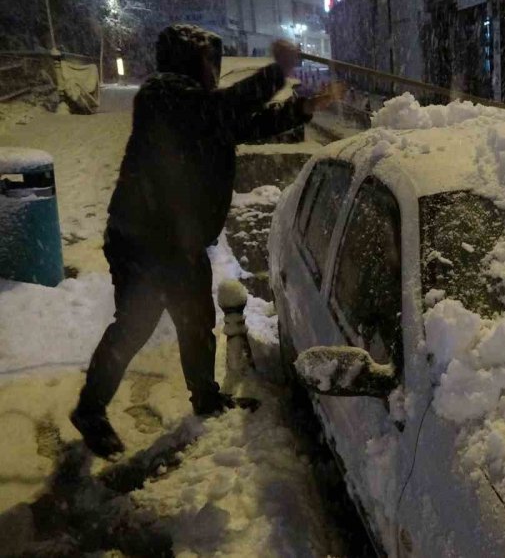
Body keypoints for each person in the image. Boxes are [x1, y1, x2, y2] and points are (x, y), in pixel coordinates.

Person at [71, 24, 339, 458]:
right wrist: (278, 72)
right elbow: (226, 109)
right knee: (135, 325)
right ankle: (90, 409)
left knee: (196, 322)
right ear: (189, 62)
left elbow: (248, 122)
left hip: (182, 242)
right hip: (141, 240)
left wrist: (302, 107)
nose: (215, 71)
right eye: (209, 62)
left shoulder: (202, 108)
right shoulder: (162, 97)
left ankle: (206, 398)